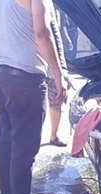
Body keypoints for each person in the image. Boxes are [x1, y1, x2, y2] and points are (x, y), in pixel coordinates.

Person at [0, 0, 67, 194]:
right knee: (25, 146)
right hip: (24, 76)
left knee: (6, 140)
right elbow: (41, 33)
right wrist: (58, 73)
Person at [45, 7, 71, 148]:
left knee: (57, 95)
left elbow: (56, 34)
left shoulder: (51, 5)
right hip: (31, 58)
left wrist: (62, 68)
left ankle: (53, 135)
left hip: (49, 56)